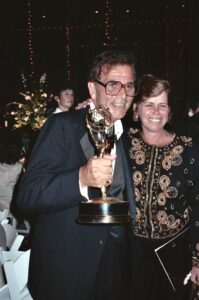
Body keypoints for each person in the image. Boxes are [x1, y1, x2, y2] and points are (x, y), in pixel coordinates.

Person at [16, 50, 136, 300]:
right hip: (67, 273)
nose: (123, 95)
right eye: (113, 85)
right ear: (93, 89)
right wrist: (80, 178)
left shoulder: (126, 138)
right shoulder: (62, 126)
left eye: (129, 86)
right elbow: (27, 195)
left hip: (114, 271)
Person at [124, 74, 199, 300]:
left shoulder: (190, 149)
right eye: (149, 105)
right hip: (130, 253)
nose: (156, 112)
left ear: (169, 110)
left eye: (162, 105)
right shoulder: (123, 144)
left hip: (175, 254)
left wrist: (197, 260)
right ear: (136, 109)